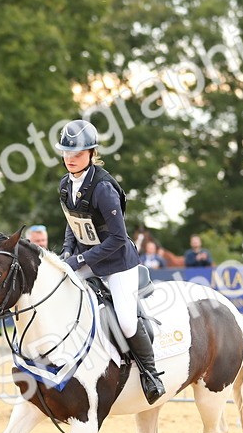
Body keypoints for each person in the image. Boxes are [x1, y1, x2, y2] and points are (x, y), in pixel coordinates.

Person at [55, 118, 165, 404]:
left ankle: (151, 374)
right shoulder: (66, 184)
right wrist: (67, 253)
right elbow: (72, 223)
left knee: (127, 322)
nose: (71, 159)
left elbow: (117, 239)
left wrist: (79, 259)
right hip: (87, 258)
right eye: (67, 153)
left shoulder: (103, 188)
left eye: (77, 154)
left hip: (118, 263)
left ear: (91, 154)